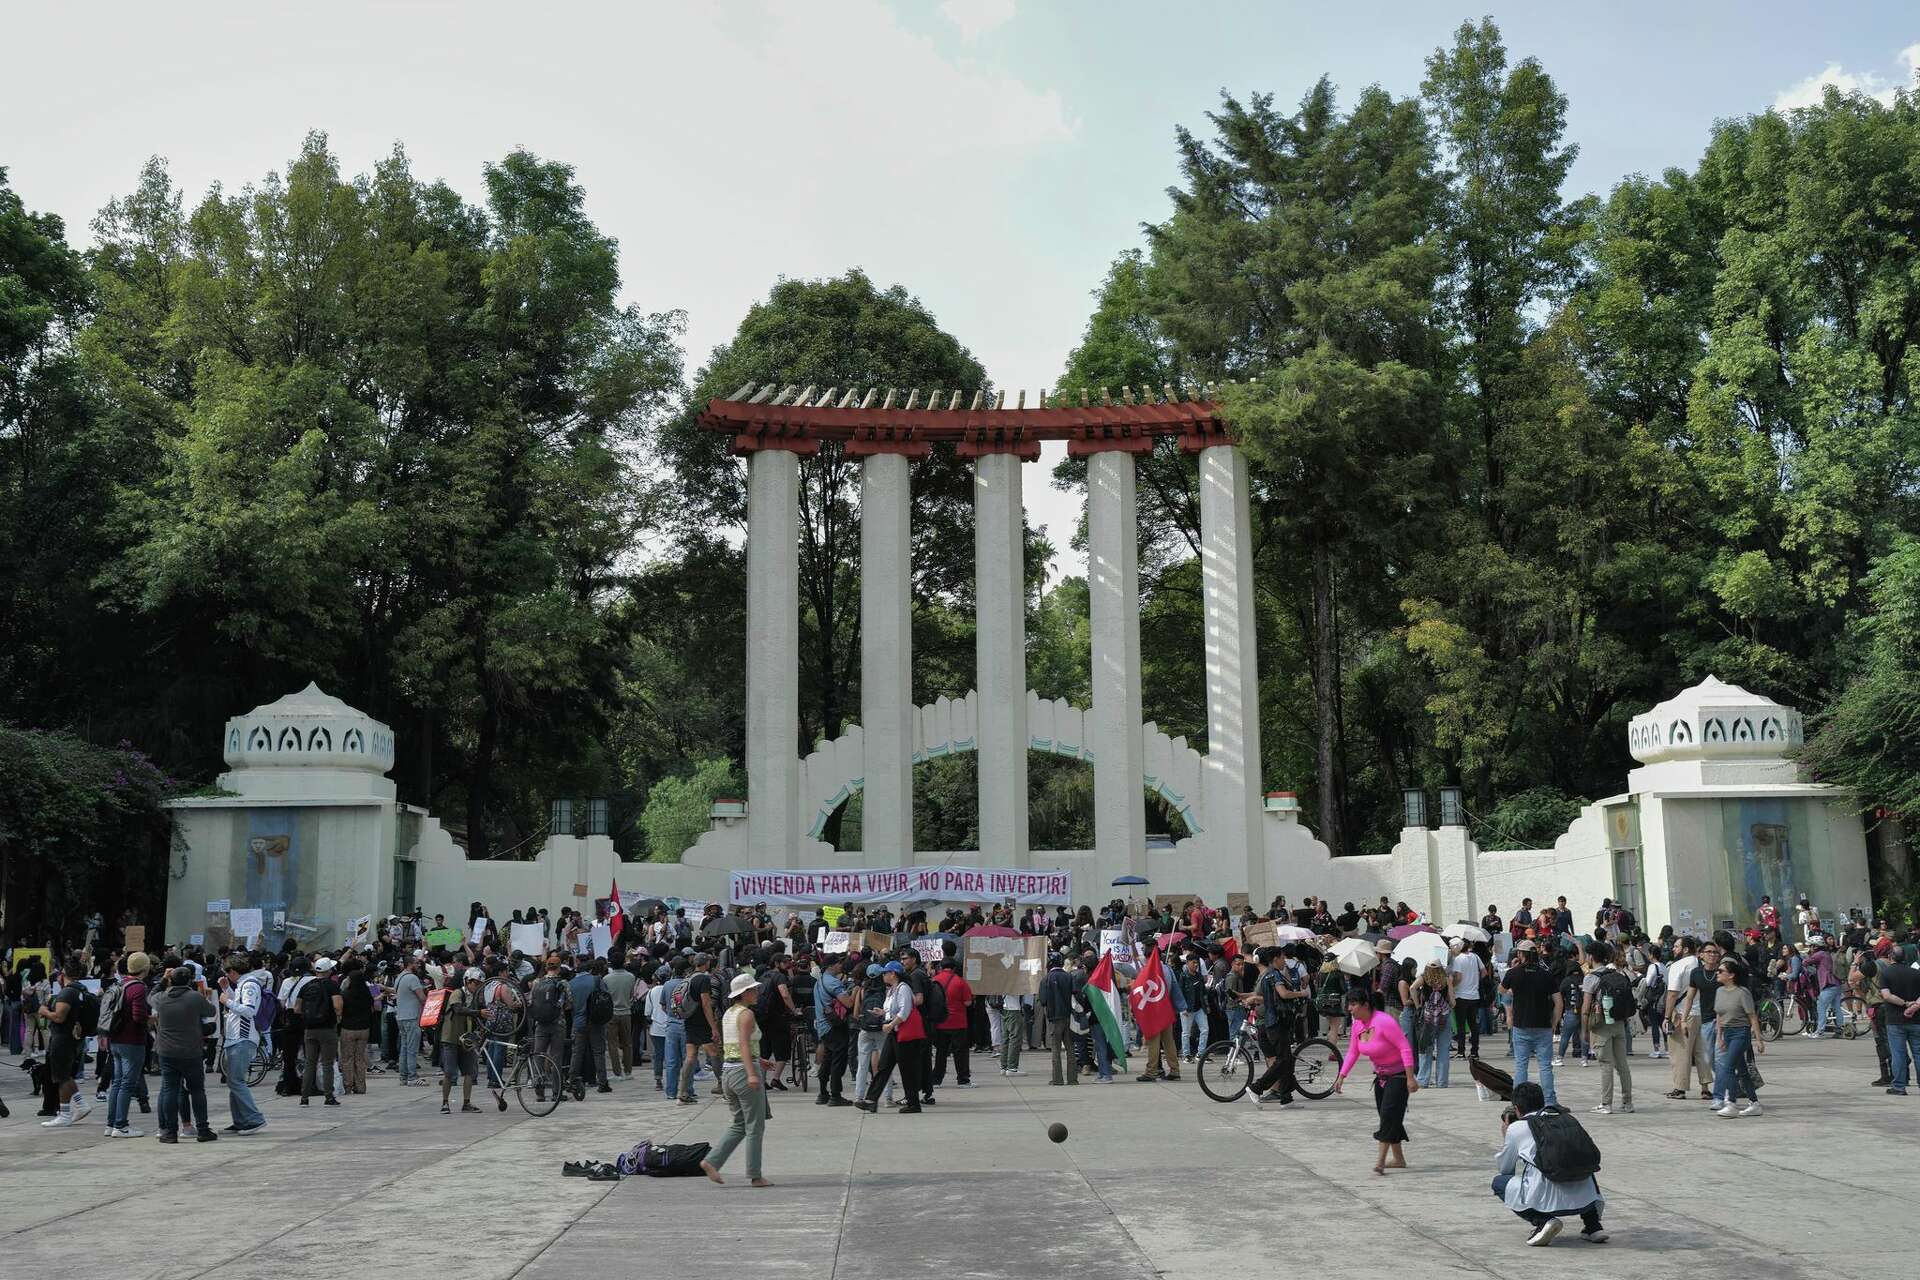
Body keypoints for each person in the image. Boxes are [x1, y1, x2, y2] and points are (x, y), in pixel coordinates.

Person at [1493, 1081, 1608, 1247]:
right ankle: (1593, 1226)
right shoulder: (1567, 1118)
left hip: (1547, 1199)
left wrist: (1507, 1136)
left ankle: (1543, 1221)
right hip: (1587, 1197)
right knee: (1577, 1163)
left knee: (1499, 1182)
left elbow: (1505, 1169)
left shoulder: (1517, 1127)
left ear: (1516, 1108)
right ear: (1542, 1102)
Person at [1334, 989, 1418, 1175]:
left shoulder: (1384, 1021)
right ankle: (1399, 1159)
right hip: (1381, 1077)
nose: (1349, 1009)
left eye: (1353, 1004)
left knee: (1388, 1115)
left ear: (1365, 1005)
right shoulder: (1357, 1025)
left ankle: (1380, 1161)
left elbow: (1405, 1048)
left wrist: (1411, 1078)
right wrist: (1341, 1076)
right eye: (1348, 1005)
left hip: (1399, 1075)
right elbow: (1353, 1052)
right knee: (1388, 1117)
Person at [700, 972, 772, 1187]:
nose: (757, 992)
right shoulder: (747, 1014)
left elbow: (735, 1044)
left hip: (729, 1072)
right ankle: (755, 1174)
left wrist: (759, 1060)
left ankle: (712, 1161)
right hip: (743, 1071)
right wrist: (752, 1072)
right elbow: (743, 1044)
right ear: (745, 993)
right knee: (755, 1126)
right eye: (754, 990)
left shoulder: (729, 1013)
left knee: (740, 1123)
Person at [151, 964, 217, 1143]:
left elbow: (150, 996)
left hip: (167, 1051)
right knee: (197, 1090)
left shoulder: (161, 998)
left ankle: (170, 1132)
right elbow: (211, 1011)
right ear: (189, 980)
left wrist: (163, 980)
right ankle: (203, 1129)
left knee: (170, 1090)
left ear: (171, 980)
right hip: (191, 1051)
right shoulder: (195, 997)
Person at [857, 962, 926, 1114]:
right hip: (895, 1033)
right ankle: (871, 1100)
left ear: (893, 974)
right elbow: (894, 1010)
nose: (883, 976)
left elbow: (904, 1012)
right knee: (883, 1067)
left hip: (903, 1034)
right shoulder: (893, 990)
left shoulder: (903, 988)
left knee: (906, 1069)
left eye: (885, 973)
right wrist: (882, 1013)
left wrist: (890, 1025)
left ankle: (913, 1103)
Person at [1503, 940, 1562, 1106]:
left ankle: (1518, 1103)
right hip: (1543, 1026)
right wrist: (1554, 1023)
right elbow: (1559, 1003)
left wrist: (1513, 991)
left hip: (1521, 1025)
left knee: (1521, 1065)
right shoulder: (1546, 974)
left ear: (1521, 954)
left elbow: (1502, 991)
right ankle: (1550, 1102)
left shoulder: (1514, 973)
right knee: (1545, 1066)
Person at [1247, 946, 1308, 1105]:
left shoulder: (1266, 976)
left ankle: (1286, 1099)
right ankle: (1256, 1088)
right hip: (1277, 1022)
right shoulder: (1274, 975)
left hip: (1271, 1021)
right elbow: (1284, 994)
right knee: (1282, 1060)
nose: (1284, 961)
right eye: (1282, 958)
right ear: (1275, 959)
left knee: (1286, 1060)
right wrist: (1302, 993)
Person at [37, 957, 92, 1129]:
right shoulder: (80, 989)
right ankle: (80, 1104)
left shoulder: (67, 992)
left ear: (63, 974)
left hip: (62, 1038)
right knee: (65, 1075)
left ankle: (65, 1114)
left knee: (61, 1077)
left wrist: (45, 1011)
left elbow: (59, 1017)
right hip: (73, 1037)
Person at [216, 955, 267, 1134]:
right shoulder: (243, 984)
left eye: (226, 972)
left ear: (233, 971)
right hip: (237, 1038)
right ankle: (240, 1121)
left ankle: (254, 1119)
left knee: (236, 1081)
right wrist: (227, 989)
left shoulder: (249, 984)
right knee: (234, 1081)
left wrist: (226, 1001)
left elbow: (248, 1010)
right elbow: (240, 1004)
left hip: (242, 1038)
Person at [104, 952, 153, 1137]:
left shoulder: (120, 984)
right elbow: (138, 1016)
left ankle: (111, 1124)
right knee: (127, 1084)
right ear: (145, 968)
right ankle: (121, 1125)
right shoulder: (138, 987)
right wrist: (152, 1019)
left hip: (115, 1039)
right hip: (132, 1041)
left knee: (117, 1083)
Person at [1710, 957, 1764, 1117]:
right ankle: (1754, 1103)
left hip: (1741, 1032)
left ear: (1731, 975)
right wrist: (1719, 1037)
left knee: (1727, 1067)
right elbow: (1719, 1015)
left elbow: (1752, 1016)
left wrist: (1759, 1040)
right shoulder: (1719, 992)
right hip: (1727, 1033)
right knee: (1742, 1070)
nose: (1717, 973)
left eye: (1721, 971)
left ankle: (1731, 1103)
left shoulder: (1742, 992)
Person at [297, 956, 343, 1106]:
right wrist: (337, 1017)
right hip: (327, 1028)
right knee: (327, 1063)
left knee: (310, 1063)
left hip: (309, 1029)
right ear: (328, 971)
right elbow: (337, 1006)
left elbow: (297, 1008)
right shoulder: (332, 985)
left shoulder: (306, 986)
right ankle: (329, 1096)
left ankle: (304, 1097)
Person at [1876, 942, 1920, 1095]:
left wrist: (1904, 1003)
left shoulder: (1886, 973)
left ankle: (1899, 1086)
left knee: (1898, 1054)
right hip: (1916, 1019)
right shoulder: (1916, 973)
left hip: (1895, 1019)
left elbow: (1886, 995)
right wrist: (1914, 1006)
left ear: (1890, 957)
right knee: (1918, 1053)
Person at [439, 967, 484, 1114]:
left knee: (469, 1072)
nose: (476, 986)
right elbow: (457, 1009)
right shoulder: (458, 993)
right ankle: (445, 1103)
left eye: (479, 984)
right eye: (475, 983)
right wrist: (478, 1013)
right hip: (451, 1038)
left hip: (466, 1040)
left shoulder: (475, 998)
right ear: (467, 981)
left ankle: (466, 1103)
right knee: (449, 1073)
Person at [678, 953, 720, 1105]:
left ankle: (682, 1092)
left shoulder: (688, 978)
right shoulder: (703, 979)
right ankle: (723, 1085)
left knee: (690, 1057)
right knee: (713, 1053)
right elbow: (706, 1004)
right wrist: (713, 1027)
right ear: (706, 963)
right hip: (701, 1022)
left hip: (689, 1020)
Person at [812, 953, 853, 1105]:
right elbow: (848, 1003)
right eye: (838, 963)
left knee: (827, 1060)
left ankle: (823, 1093)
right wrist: (855, 992)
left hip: (823, 1027)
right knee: (838, 1061)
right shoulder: (833, 982)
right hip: (834, 1026)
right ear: (831, 966)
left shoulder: (819, 981)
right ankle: (835, 1095)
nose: (841, 965)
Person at [930, 957, 974, 1090]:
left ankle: (936, 1079)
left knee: (941, 1052)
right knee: (960, 1052)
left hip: (940, 1023)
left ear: (941, 967)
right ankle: (963, 1079)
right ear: (954, 968)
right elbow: (968, 1002)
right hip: (958, 1022)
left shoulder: (934, 981)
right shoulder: (960, 982)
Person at [1411, 961, 1455, 1089]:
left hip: (1427, 1018)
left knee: (1425, 1048)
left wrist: (1418, 1005)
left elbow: (1412, 988)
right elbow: (1453, 1001)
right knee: (1443, 1049)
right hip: (1443, 1017)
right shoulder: (1446, 979)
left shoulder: (1423, 978)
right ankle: (1442, 1081)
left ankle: (1423, 1080)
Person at [336, 958, 375, 1095]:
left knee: (347, 1058)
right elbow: (373, 1009)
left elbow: (340, 1011)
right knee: (360, 1058)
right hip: (364, 1029)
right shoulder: (367, 994)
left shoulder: (345, 994)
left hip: (348, 1028)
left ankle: (348, 1085)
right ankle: (361, 1086)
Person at [393, 955, 427, 1085]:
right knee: (412, 1049)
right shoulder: (412, 978)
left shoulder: (399, 977)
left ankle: (403, 1077)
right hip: (411, 1017)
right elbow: (422, 998)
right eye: (416, 963)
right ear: (410, 964)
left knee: (404, 1047)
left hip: (401, 1016)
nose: (418, 965)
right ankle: (412, 1077)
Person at [604, 957, 637, 1081]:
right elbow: (632, 995)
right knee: (627, 1043)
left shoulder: (606, 979)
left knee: (612, 1044)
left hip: (611, 1013)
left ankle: (617, 1072)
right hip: (626, 1012)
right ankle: (628, 1071)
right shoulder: (631, 977)